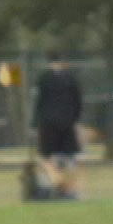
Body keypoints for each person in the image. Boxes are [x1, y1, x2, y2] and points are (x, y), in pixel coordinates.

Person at [32, 58, 86, 201]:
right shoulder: (71, 79)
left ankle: (56, 183)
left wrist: (35, 123)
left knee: (45, 157)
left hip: (48, 123)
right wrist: (75, 119)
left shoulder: (44, 79)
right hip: (67, 122)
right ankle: (71, 190)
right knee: (70, 157)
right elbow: (78, 103)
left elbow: (39, 102)